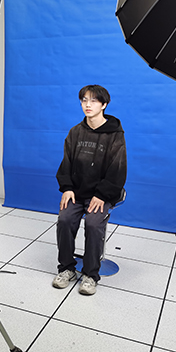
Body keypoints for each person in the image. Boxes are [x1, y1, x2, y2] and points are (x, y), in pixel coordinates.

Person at [53, 84, 126, 295]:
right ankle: (66, 268)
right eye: (84, 100)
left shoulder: (115, 134)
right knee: (65, 219)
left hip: (102, 194)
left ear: (104, 105)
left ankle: (90, 274)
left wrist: (101, 195)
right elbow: (66, 163)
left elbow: (118, 168)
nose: (88, 104)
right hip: (77, 192)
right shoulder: (75, 132)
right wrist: (67, 188)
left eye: (94, 100)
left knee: (93, 224)